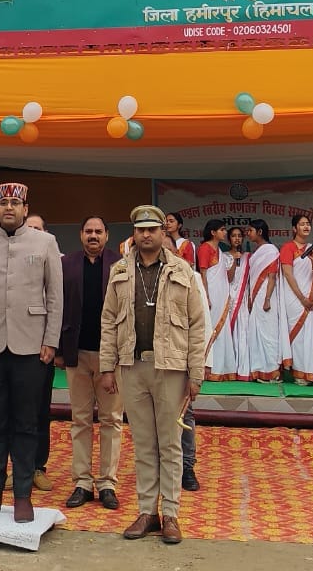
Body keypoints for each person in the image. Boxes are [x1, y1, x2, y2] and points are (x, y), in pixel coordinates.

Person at [100, 205, 206, 546]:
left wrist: (196, 372)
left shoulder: (183, 271)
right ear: (134, 233)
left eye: (153, 229)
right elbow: (107, 321)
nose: (147, 235)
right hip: (132, 367)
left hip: (171, 368)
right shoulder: (119, 271)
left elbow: (196, 324)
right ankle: (148, 511)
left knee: (170, 443)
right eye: (141, 229)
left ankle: (171, 513)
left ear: (163, 233)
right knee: (144, 443)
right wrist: (106, 366)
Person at [0, 182, 62, 524]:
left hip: (31, 348)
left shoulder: (46, 242)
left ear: (25, 208)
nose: (9, 208)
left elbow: (55, 296)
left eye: (15, 203)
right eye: (3, 203)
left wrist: (50, 340)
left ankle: (23, 494)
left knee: (26, 424)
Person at [57, 215, 123, 511]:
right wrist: (58, 348)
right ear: (80, 234)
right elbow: (56, 306)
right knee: (80, 420)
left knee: (111, 420)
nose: (93, 236)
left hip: (113, 357)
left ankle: (107, 482)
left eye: (98, 231)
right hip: (77, 352)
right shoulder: (66, 264)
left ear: (107, 235)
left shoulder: (120, 264)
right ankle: (82, 482)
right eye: (88, 231)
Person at [23, 212, 55, 493]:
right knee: (11, 412)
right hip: (12, 350)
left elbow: (58, 307)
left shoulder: (53, 262)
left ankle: (38, 467)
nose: (33, 233)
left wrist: (52, 342)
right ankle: (17, 467)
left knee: (39, 412)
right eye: (28, 228)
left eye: (38, 228)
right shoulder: (13, 263)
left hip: (42, 351)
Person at [234, 219, 286, 382]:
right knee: (257, 333)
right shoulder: (257, 252)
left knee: (269, 334)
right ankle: (261, 370)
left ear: (260, 232)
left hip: (266, 298)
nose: (247, 234)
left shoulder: (270, 251)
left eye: (250, 231)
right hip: (256, 299)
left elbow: (272, 276)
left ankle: (273, 372)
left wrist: (268, 298)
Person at [280, 214, 313, 385]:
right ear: (294, 228)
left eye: (308, 224)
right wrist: (302, 298)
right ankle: (300, 374)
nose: (306, 227)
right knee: (298, 336)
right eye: (302, 224)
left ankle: (312, 373)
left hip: (312, 298)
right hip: (294, 298)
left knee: (312, 335)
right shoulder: (288, 248)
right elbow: (288, 274)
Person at [201, 222, 239, 383]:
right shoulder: (205, 248)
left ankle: (223, 369)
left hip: (223, 295)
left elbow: (229, 278)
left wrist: (234, 261)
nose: (225, 232)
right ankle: (210, 369)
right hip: (212, 296)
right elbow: (203, 273)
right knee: (212, 330)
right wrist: (206, 296)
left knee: (222, 331)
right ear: (213, 232)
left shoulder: (222, 252)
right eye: (222, 230)